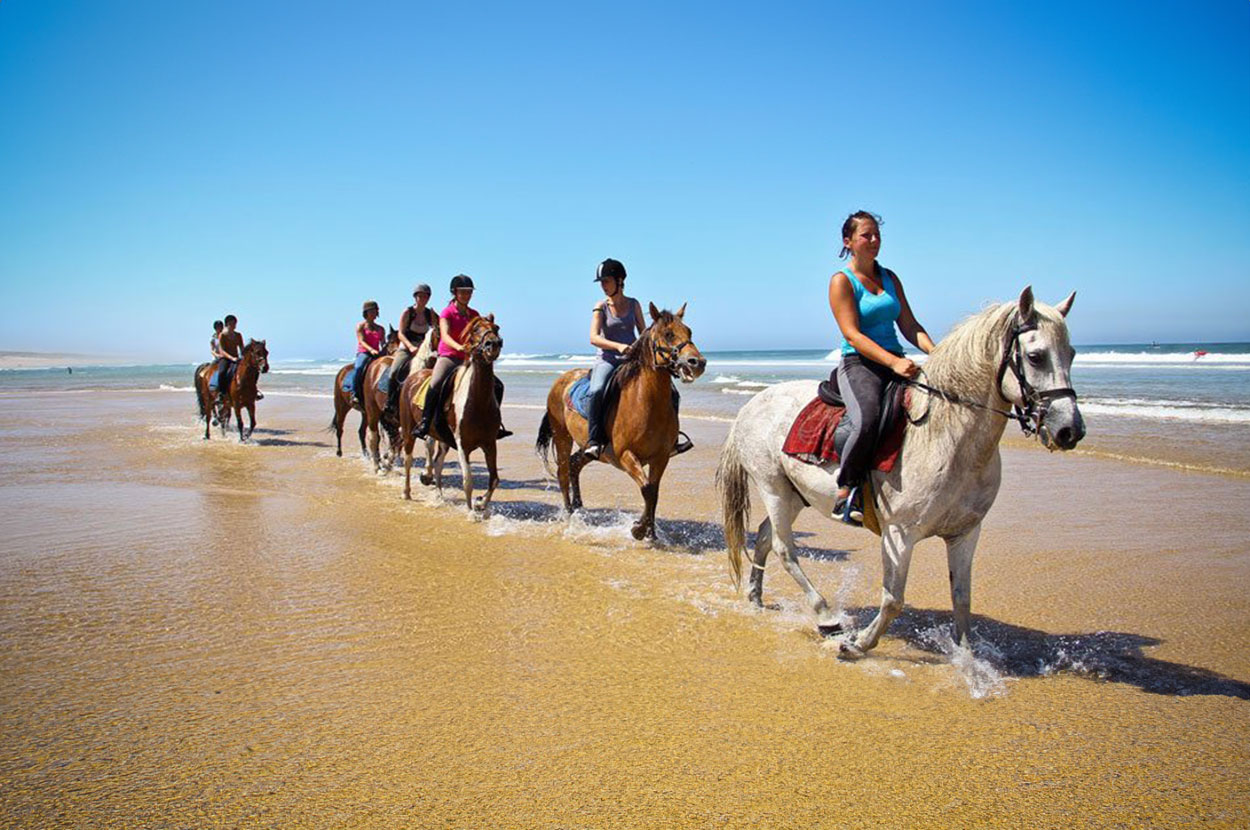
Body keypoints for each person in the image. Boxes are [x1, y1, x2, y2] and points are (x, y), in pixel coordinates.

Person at [828, 210, 934, 525]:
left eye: (877, 235)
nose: (874, 241)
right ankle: (846, 490)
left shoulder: (890, 277)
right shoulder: (841, 281)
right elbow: (852, 334)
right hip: (859, 363)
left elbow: (910, 324)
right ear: (849, 242)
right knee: (868, 418)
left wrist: (937, 352)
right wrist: (893, 362)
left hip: (895, 359)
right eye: (866, 235)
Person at [582, 258, 692, 462]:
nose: (604, 286)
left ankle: (672, 439)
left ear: (619, 280)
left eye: (606, 281)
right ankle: (594, 440)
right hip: (607, 359)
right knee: (597, 390)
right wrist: (618, 346)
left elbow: (644, 333)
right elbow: (593, 337)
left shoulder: (633, 305)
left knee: (673, 393)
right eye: (602, 283)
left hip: (632, 360)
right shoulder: (601, 307)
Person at [412, 274, 511, 441]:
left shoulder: (474, 314)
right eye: (463, 292)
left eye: (469, 292)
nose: (467, 295)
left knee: (498, 385)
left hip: (468, 358)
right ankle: (425, 422)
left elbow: (479, 336)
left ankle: (494, 424)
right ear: (455, 292)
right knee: (436, 382)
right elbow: (444, 335)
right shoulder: (447, 313)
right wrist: (458, 347)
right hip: (449, 356)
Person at [387, 283, 437, 411]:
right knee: (394, 371)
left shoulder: (429, 313)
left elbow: (438, 328)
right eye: (420, 296)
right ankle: (390, 401)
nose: (423, 299)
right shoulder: (408, 312)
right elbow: (400, 334)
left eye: (425, 296)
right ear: (415, 297)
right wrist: (410, 347)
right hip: (407, 347)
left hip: (424, 349)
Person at [347, 300, 385, 407]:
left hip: (377, 354)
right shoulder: (360, 326)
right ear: (366, 313)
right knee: (359, 368)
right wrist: (371, 350)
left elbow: (383, 343)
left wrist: (385, 350)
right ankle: (354, 394)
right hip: (364, 353)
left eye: (375, 311)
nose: (374, 313)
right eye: (371, 311)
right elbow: (362, 341)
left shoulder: (381, 328)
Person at [211, 314, 244, 395]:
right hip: (225, 358)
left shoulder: (238, 335)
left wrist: (244, 357)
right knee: (222, 372)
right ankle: (221, 394)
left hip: (236, 358)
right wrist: (232, 358)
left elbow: (242, 348)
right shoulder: (222, 335)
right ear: (227, 324)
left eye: (235, 323)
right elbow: (222, 351)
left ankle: (253, 391)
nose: (234, 326)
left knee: (249, 370)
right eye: (231, 324)